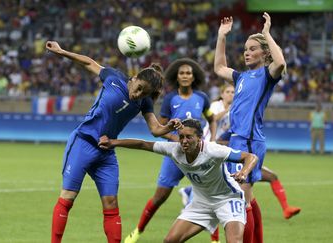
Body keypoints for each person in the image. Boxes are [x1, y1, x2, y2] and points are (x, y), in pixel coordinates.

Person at [45, 41, 182, 243]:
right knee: (68, 196)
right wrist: (61, 51)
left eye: (144, 94)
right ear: (134, 78)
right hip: (83, 142)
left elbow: (155, 130)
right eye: (139, 89)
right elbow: (88, 63)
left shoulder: (144, 102)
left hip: (106, 150)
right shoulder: (114, 77)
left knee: (111, 203)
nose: (138, 95)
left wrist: (170, 126)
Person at [98, 118, 258, 243]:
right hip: (201, 202)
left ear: (200, 138)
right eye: (181, 137)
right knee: (170, 240)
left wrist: (243, 172)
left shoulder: (213, 150)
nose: (184, 141)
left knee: (234, 241)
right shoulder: (175, 150)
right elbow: (142, 144)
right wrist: (113, 142)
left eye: (189, 137)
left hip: (228, 200)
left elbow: (251, 157)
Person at [124, 58, 217, 243]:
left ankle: (215, 240)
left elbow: (212, 119)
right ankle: (138, 231)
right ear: (177, 76)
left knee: (211, 196)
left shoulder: (202, 98)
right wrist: (176, 139)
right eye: (182, 73)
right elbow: (161, 127)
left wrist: (212, 139)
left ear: (193, 77)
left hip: (198, 155)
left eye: (188, 73)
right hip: (175, 156)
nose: (185, 76)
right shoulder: (170, 99)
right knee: (159, 197)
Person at [214, 13, 286, 243]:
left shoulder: (267, 75)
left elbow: (281, 63)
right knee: (246, 198)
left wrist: (266, 34)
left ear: (265, 53)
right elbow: (218, 68)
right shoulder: (242, 77)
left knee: (241, 198)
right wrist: (221, 37)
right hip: (237, 138)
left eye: (253, 48)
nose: (247, 52)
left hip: (250, 141)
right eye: (246, 48)